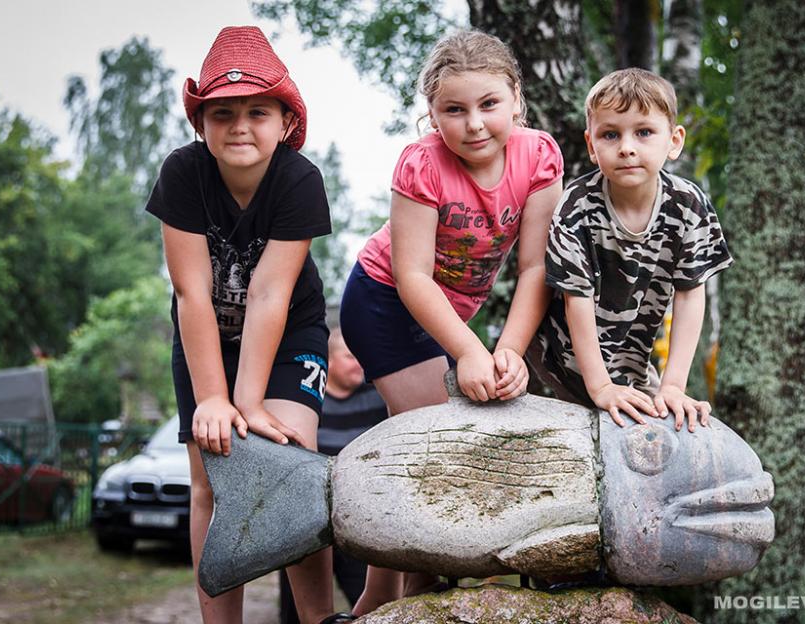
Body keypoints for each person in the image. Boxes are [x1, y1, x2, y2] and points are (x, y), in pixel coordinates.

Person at [339, 29, 564, 614]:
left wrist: (509, 350)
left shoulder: (539, 156)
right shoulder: (421, 163)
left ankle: (401, 596)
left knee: (427, 442)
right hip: (384, 301)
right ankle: (393, 597)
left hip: (450, 314)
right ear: (432, 114)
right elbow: (413, 276)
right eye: (453, 110)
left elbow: (536, 265)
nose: (474, 124)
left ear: (517, 97)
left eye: (489, 103)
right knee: (430, 441)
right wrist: (470, 352)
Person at [145, 26, 352, 624]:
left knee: (291, 469)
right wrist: (214, 397)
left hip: (288, 331)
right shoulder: (183, 175)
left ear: (286, 121)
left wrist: (249, 401)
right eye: (222, 112)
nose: (239, 125)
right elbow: (191, 292)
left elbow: (269, 294)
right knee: (212, 480)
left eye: (258, 111)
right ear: (201, 121)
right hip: (203, 335)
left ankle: (317, 618)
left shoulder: (299, 180)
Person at [528, 68, 732, 431]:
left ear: (674, 141)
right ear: (592, 145)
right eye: (610, 134)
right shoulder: (577, 207)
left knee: (673, 431)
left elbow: (689, 295)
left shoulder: (688, 206)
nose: (626, 147)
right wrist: (601, 388)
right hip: (559, 362)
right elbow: (577, 300)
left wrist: (673, 385)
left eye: (644, 132)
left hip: (630, 367)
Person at [280, 330, 388, 622]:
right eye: (350, 357)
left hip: (359, 521)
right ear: (328, 360)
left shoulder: (378, 396)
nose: (359, 365)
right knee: (297, 611)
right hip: (308, 523)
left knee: (371, 610)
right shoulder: (304, 403)